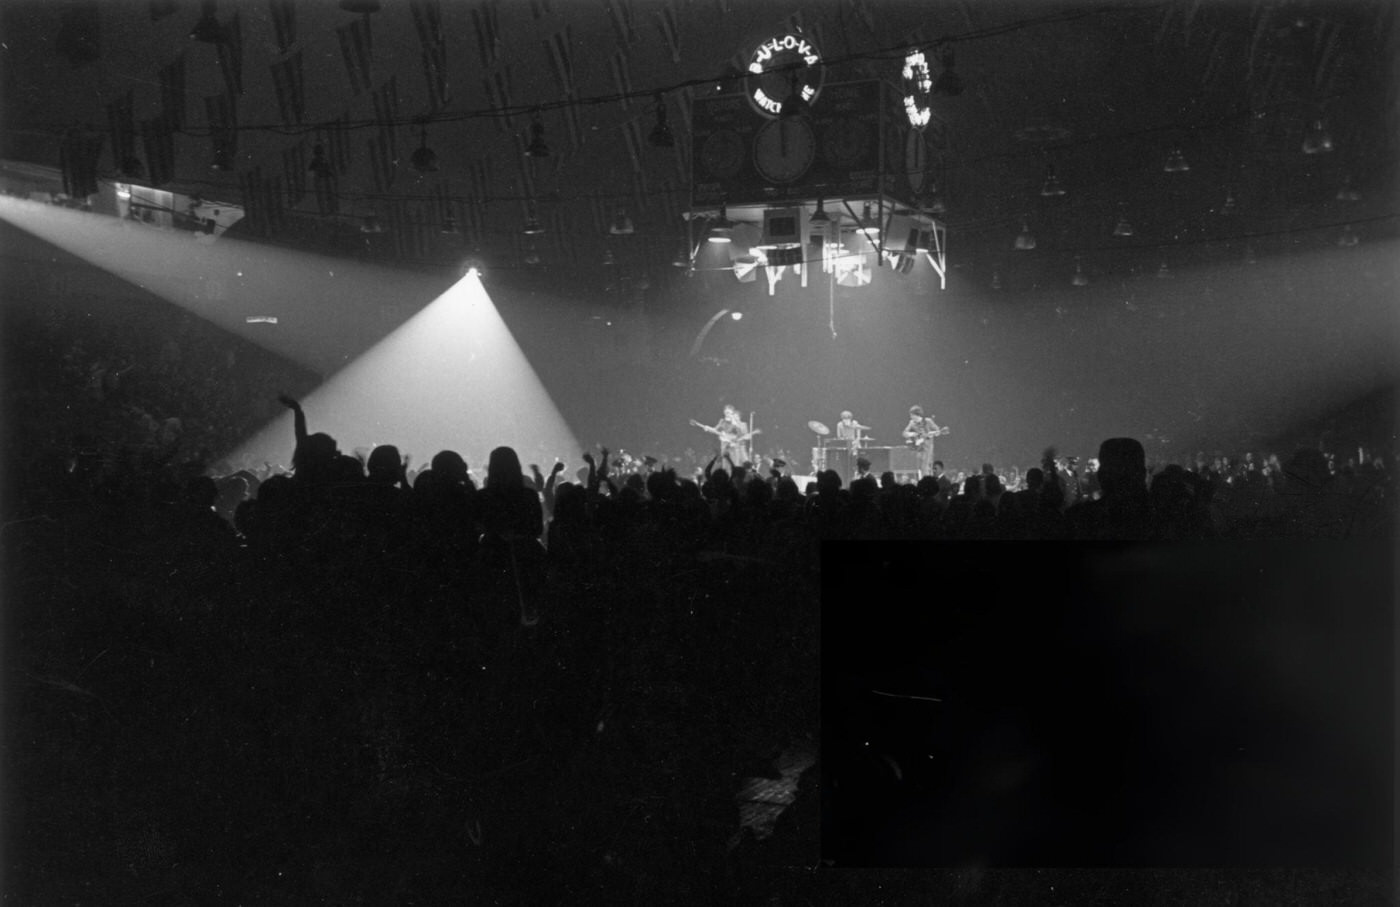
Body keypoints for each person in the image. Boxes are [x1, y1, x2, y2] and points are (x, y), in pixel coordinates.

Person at [901, 405, 948, 478]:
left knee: (925, 467)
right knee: (919, 467)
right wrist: (913, 434)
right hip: (918, 448)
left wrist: (932, 434)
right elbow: (904, 433)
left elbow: (938, 431)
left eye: (912, 415)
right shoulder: (912, 423)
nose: (911, 417)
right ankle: (923, 480)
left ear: (917, 415)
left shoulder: (928, 421)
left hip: (927, 447)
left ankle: (926, 482)